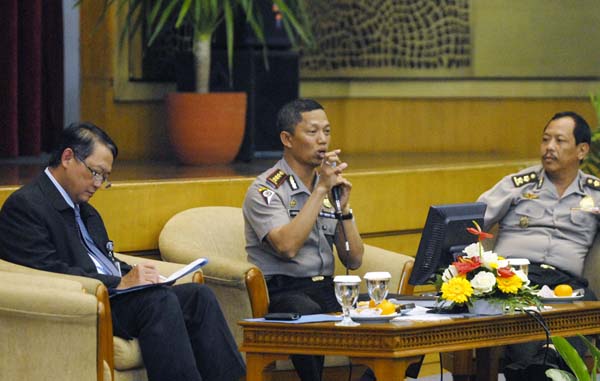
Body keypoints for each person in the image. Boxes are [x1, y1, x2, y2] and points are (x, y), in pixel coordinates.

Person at [0, 122, 245, 381]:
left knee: (199, 296)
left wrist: (139, 276)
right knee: (158, 301)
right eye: (95, 173)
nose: (98, 184)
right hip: (84, 301)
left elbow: (104, 259)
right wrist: (120, 283)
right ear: (68, 157)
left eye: (104, 178)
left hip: (114, 295)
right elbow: (46, 272)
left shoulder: (86, 210)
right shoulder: (25, 207)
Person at [243, 98, 365, 381]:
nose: (322, 141)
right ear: (287, 138)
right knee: (307, 314)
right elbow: (286, 247)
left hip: (327, 288)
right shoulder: (266, 189)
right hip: (284, 291)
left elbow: (354, 259)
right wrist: (320, 191)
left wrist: (343, 209)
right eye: (312, 132)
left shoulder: (327, 187)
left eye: (327, 132)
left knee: (394, 313)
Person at [477, 111, 600, 379]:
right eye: (546, 140)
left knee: (577, 325)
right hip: (515, 280)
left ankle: (546, 368)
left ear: (582, 150)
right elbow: (471, 220)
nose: (550, 148)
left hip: (567, 287)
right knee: (526, 324)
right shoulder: (517, 185)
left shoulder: (595, 193)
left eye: (559, 141)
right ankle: (539, 368)